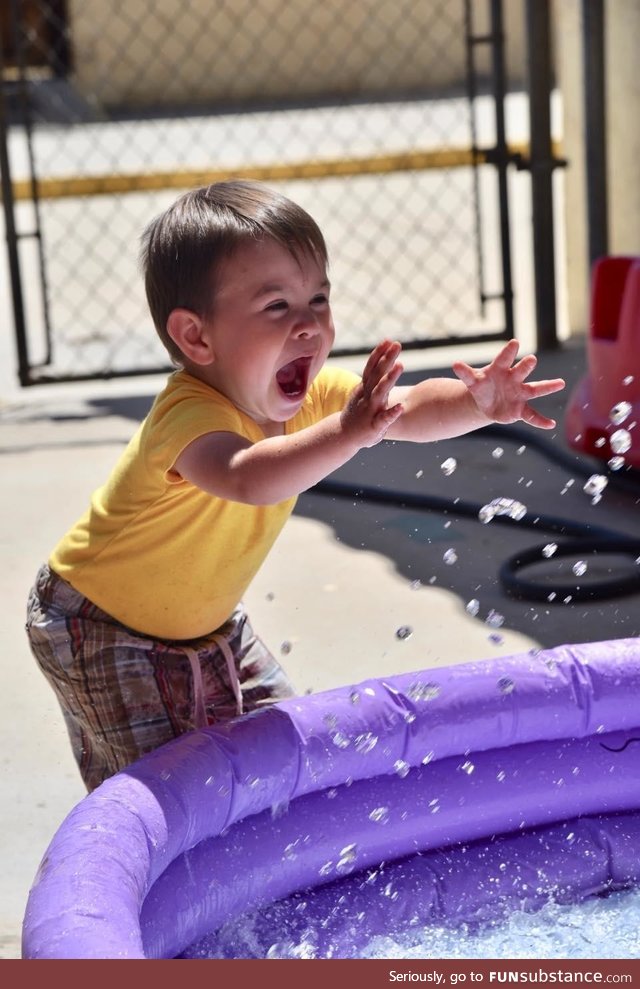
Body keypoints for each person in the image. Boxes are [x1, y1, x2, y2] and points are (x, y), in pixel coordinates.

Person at [25, 180, 565, 792]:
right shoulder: (190, 415)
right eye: (276, 306)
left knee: (286, 763)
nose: (309, 325)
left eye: (319, 298)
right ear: (196, 337)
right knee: (167, 789)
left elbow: (410, 408)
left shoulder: (316, 399)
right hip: (99, 626)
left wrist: (475, 402)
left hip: (210, 626)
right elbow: (249, 476)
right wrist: (348, 431)